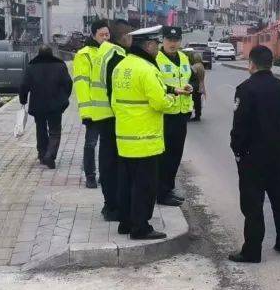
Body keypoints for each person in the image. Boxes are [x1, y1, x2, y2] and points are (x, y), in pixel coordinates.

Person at [229, 45, 280, 263]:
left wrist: (238, 152)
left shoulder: (245, 89)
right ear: (271, 63)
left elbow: (239, 128)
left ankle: (252, 250)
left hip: (252, 157)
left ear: (251, 64)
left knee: (252, 204)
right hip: (277, 155)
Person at [111, 27, 179, 240]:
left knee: (126, 184)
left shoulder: (120, 67)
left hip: (125, 138)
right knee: (144, 186)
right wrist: (174, 99)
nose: (158, 48)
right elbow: (159, 102)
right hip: (145, 139)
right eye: (157, 45)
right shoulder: (147, 69)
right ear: (148, 45)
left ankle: (125, 222)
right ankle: (140, 227)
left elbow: (114, 101)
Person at [74, 20, 128, 222]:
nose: (105, 38)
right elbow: (82, 84)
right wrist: (86, 112)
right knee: (91, 145)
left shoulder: (111, 51)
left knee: (109, 155)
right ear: (93, 35)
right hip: (95, 112)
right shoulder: (85, 54)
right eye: (101, 35)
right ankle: (90, 175)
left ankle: (106, 190)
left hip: (112, 113)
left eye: (107, 34)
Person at [155, 25, 193, 206]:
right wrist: (173, 90)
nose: (172, 43)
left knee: (176, 154)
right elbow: (155, 86)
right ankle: (160, 192)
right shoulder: (156, 59)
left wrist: (190, 87)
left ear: (180, 41)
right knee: (164, 155)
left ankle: (168, 188)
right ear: (163, 40)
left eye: (176, 40)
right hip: (165, 113)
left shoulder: (184, 57)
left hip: (181, 113)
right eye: (169, 40)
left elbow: (188, 78)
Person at [19, 45, 73, 168]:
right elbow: (68, 83)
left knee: (40, 129)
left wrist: (23, 100)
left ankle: (43, 154)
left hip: (38, 105)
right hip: (56, 104)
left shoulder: (31, 67)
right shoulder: (60, 66)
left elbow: (23, 85)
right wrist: (64, 98)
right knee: (55, 131)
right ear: (51, 54)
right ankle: (50, 155)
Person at [189, 51, 206, 121]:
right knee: (198, 101)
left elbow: (191, 75)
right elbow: (202, 78)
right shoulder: (201, 66)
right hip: (200, 85)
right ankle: (198, 115)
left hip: (194, 86)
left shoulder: (195, 67)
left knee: (192, 101)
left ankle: (191, 116)